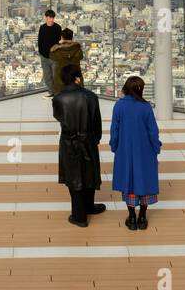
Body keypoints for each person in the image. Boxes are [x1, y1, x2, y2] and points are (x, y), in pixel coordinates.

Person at [51, 64, 104, 227]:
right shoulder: (91, 96)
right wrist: (95, 138)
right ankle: (88, 207)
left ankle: (79, 215)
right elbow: (97, 122)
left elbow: (60, 118)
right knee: (89, 173)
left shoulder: (58, 99)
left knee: (74, 177)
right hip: (88, 139)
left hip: (69, 142)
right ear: (78, 78)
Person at [110, 76, 162, 231]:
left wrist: (115, 146)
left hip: (125, 150)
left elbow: (115, 130)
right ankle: (143, 217)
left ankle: (131, 217)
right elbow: (153, 131)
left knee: (129, 181)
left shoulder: (119, 106)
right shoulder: (145, 107)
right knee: (145, 181)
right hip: (145, 150)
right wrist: (156, 147)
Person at [48, 28, 83, 96]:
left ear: (62, 37)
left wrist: (58, 44)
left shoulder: (56, 50)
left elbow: (51, 57)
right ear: (72, 37)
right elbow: (81, 57)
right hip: (75, 77)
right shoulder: (77, 48)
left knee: (61, 98)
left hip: (60, 78)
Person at [37, 9, 62, 94]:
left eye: (52, 18)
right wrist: (41, 52)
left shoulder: (58, 28)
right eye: (49, 17)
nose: (51, 19)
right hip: (44, 56)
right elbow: (40, 41)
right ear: (46, 18)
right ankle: (52, 92)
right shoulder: (42, 28)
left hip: (54, 56)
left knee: (56, 76)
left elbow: (59, 42)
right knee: (47, 76)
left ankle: (57, 93)